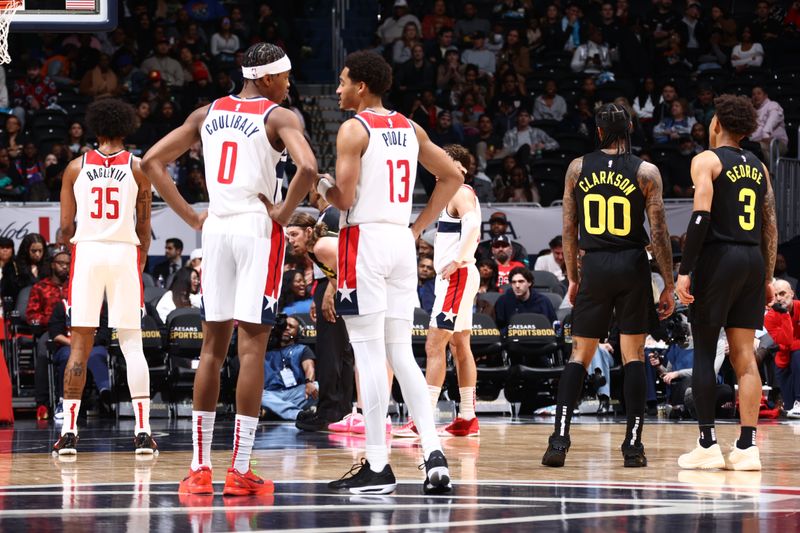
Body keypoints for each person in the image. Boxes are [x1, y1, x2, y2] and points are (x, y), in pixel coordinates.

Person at [142, 43, 317, 496]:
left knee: (211, 350)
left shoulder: (206, 113)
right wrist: (283, 213)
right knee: (252, 350)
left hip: (215, 230)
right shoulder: (280, 116)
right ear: (265, 78)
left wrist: (192, 217)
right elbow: (310, 168)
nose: (288, 83)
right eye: (284, 76)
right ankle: (240, 470)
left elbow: (151, 162)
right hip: (257, 229)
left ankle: (199, 469)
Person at [317, 50, 462, 494]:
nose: (338, 89)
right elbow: (452, 175)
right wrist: (419, 226)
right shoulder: (408, 126)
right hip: (400, 240)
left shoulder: (353, 128)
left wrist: (317, 185)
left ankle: (378, 464)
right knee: (401, 354)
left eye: (343, 82)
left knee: (368, 355)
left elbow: (341, 200)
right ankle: (433, 455)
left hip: (364, 242)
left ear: (361, 86)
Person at [542, 103, 675, 469]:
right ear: (630, 127)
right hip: (632, 264)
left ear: (598, 132)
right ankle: (633, 446)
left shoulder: (578, 167)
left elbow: (569, 229)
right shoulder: (646, 170)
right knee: (633, 354)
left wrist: (572, 275)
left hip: (595, 264)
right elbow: (659, 232)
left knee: (579, 355)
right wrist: (667, 282)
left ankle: (559, 441)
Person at [675, 94, 777, 471]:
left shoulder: (707, 160)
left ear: (717, 123)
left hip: (720, 259)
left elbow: (701, 217)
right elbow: (769, 227)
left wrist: (685, 270)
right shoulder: (759, 168)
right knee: (744, 355)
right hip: (752, 258)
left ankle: (706, 444)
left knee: (704, 351)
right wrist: (766, 275)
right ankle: (747, 447)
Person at [53, 98, 155, 457]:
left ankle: (68, 433)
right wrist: (138, 259)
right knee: (132, 345)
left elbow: (66, 228)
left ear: (95, 128)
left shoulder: (74, 168)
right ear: (127, 128)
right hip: (124, 250)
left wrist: (70, 240)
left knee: (80, 344)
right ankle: (142, 431)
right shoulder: (140, 167)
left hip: (89, 253)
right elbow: (144, 225)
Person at [399, 144, 482, 438]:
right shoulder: (458, 192)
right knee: (460, 346)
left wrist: (457, 260)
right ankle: (468, 417)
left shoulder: (459, 190)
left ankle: (422, 419)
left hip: (457, 276)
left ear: (458, 166)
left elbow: (473, 225)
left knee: (435, 346)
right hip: (459, 276)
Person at [283, 210, 355, 432]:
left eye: (294, 235)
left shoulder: (321, 245)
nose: (291, 241)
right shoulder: (315, 250)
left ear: (308, 231)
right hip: (349, 289)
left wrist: (328, 295)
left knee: (332, 351)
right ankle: (339, 411)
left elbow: (348, 265)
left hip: (358, 288)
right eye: (288, 237)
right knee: (341, 353)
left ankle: (330, 412)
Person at [261, 315, 318, 420]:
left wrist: (309, 382)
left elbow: (309, 367)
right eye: (284, 326)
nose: (286, 328)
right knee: (258, 394)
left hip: (296, 392)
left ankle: (277, 412)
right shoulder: (265, 350)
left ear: (298, 332)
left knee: (317, 386)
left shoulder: (302, 349)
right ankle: (297, 414)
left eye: (291, 326)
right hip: (272, 394)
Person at [763, 279, 800, 416]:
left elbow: (790, 343)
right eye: (776, 295)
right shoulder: (770, 318)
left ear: (791, 293)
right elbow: (786, 339)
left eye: (783, 293)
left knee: (798, 355)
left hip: (796, 356)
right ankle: (792, 403)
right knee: (790, 410)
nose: (779, 298)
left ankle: (799, 401)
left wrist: (793, 346)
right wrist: (784, 315)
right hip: (784, 358)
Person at [495, 267, 557, 331]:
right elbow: (498, 329)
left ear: (529, 283)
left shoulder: (543, 301)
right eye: (514, 282)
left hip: (538, 339)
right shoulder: (503, 301)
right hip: (512, 339)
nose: (517, 286)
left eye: (521, 281)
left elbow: (553, 326)